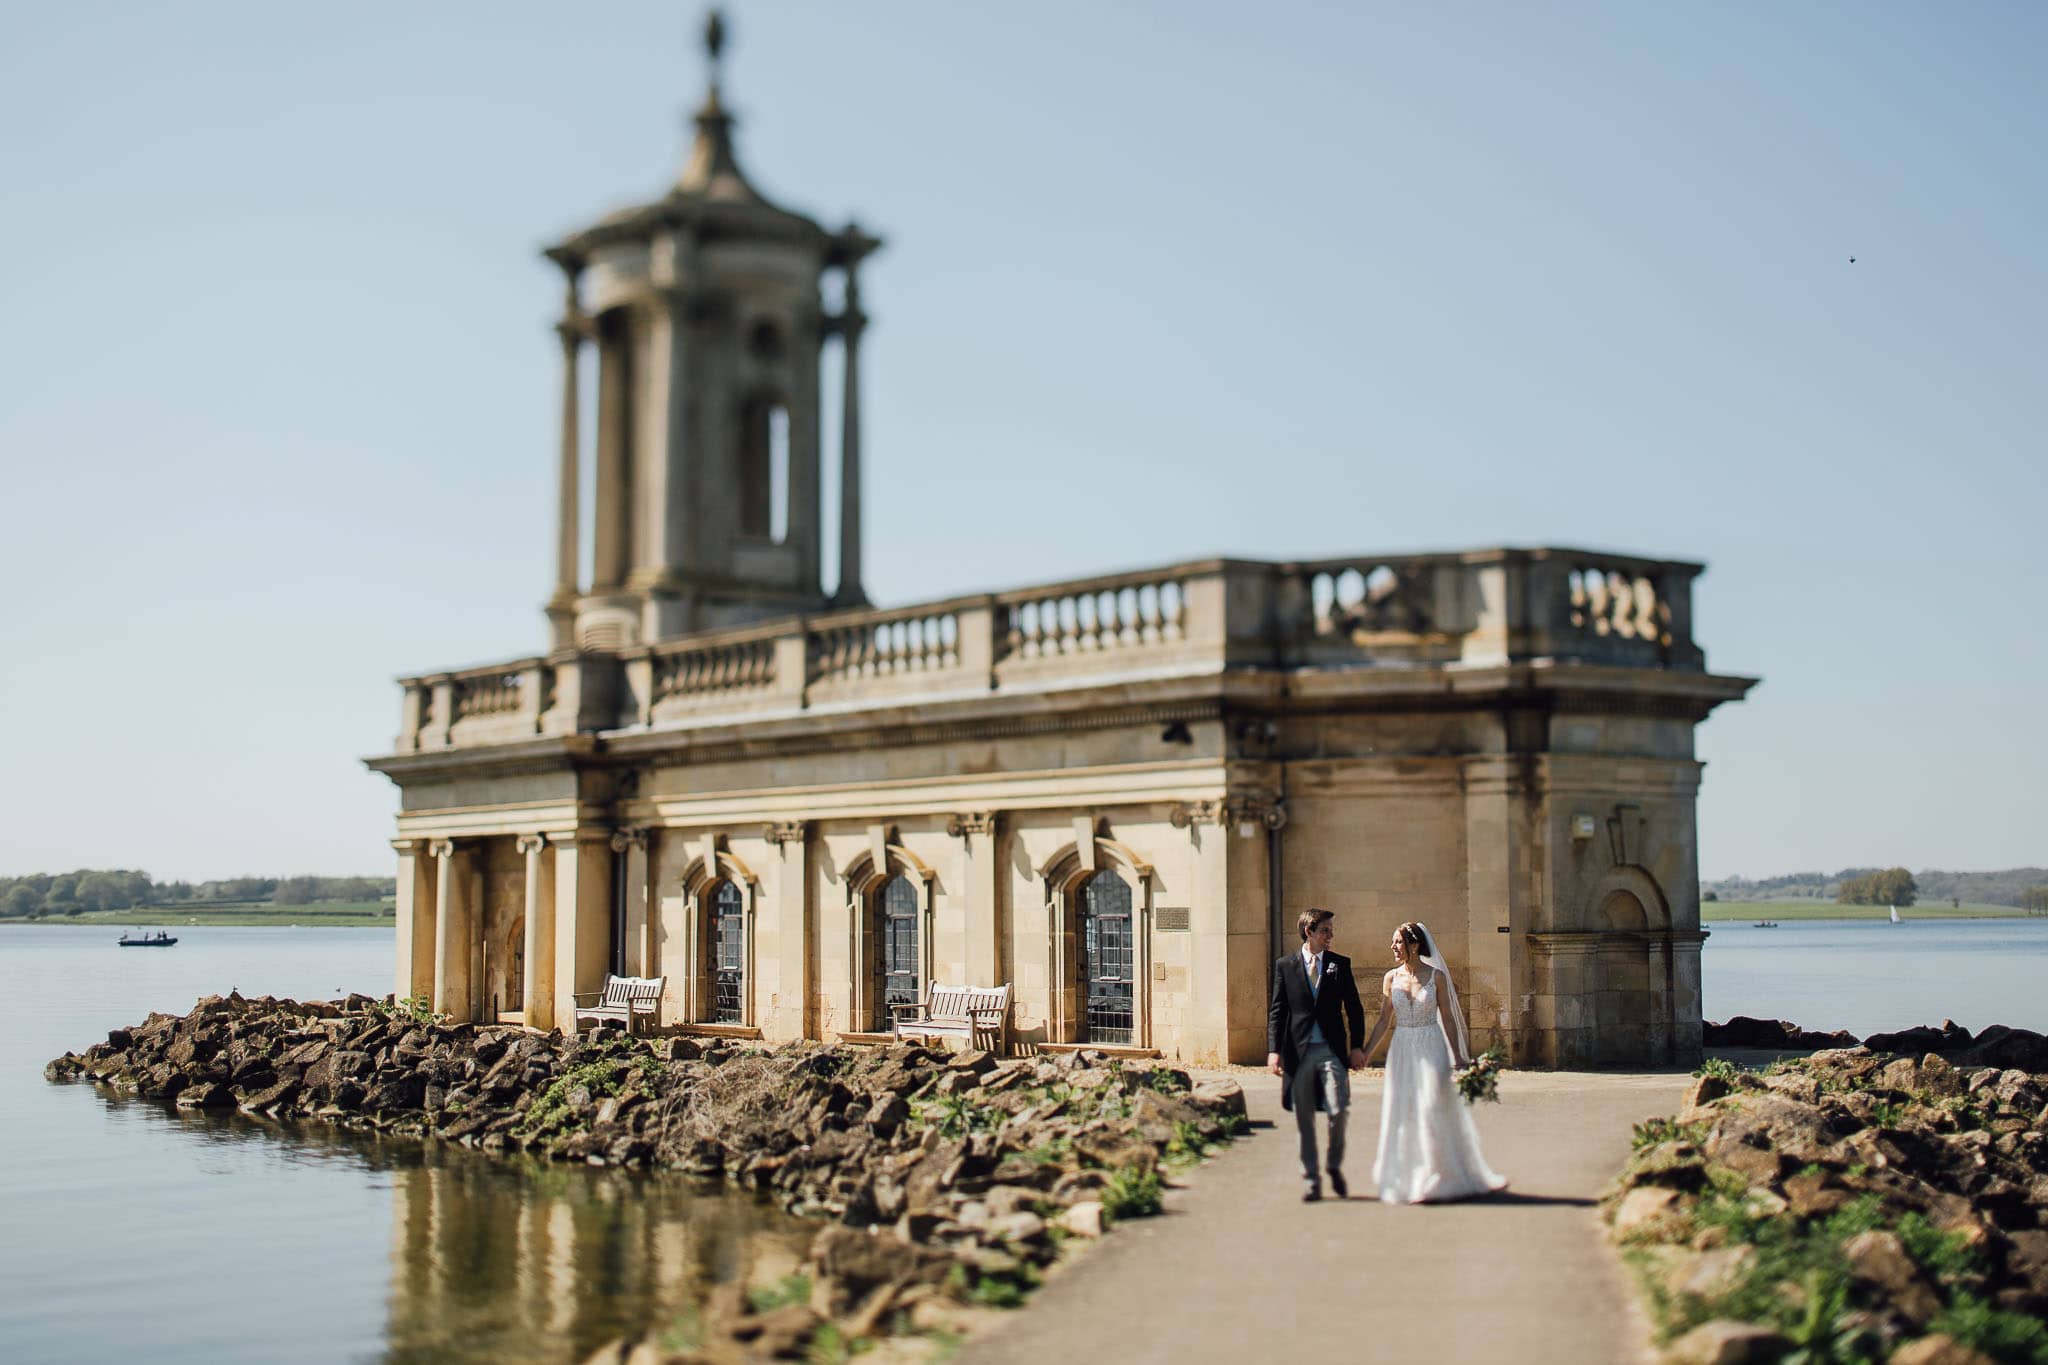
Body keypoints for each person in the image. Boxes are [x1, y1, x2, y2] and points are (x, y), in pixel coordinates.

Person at [1356, 920, 1507, 1203]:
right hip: (1402, 1050)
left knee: (1431, 1107)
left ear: (1414, 945)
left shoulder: (1436, 977)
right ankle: (1411, 1178)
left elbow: (1448, 1018)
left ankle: (1435, 1177)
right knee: (1405, 1112)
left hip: (1431, 1045)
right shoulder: (1391, 978)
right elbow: (1383, 1021)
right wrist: (1366, 1052)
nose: (1393, 947)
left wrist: (1459, 1056)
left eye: (1398, 942)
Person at [1266, 907, 1368, 1201]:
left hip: (1331, 1051)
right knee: (1304, 1118)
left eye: (1331, 931)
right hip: (1298, 1053)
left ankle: (1334, 1165)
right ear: (1308, 931)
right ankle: (1311, 1178)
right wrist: (1274, 1051)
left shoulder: (1340, 964)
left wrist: (1357, 1046)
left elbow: (1354, 1008)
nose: (1330, 936)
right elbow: (1278, 1011)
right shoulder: (1285, 966)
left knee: (1338, 1110)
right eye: (1325, 930)